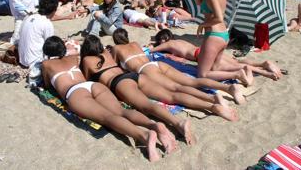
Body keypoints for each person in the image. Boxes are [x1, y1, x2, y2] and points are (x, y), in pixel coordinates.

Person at [42, 36, 176, 162]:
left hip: (75, 91)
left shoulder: (46, 64)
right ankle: (153, 125)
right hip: (94, 86)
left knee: (107, 117)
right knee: (121, 111)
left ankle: (144, 136)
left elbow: (47, 84)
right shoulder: (72, 59)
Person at [80, 35, 194, 145]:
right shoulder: (106, 53)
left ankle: (177, 123)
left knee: (146, 105)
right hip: (134, 75)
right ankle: (194, 112)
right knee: (170, 95)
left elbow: (86, 79)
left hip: (120, 82)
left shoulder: (86, 60)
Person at [111, 28, 245, 111]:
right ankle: (228, 89)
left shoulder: (116, 49)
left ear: (115, 40)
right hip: (156, 64)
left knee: (176, 88)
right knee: (191, 81)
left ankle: (212, 98)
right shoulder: (135, 44)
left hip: (146, 70)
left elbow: (115, 66)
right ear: (127, 36)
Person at [195, 0, 254, 85]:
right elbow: (199, 1)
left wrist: (202, 25)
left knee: (202, 74)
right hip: (224, 35)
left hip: (214, 35)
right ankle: (243, 68)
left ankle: (237, 74)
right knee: (215, 69)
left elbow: (219, 17)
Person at [152, 29, 282, 81]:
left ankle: (266, 73)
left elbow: (154, 50)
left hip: (201, 55)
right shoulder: (179, 40)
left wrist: (151, 47)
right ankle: (263, 64)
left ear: (163, 39)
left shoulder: (168, 44)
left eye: (160, 40)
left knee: (232, 67)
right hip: (204, 49)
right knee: (235, 63)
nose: (160, 43)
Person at [18, 0, 57, 68]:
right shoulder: (46, 23)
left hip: (22, 59)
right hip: (35, 62)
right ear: (54, 11)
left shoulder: (28, 17)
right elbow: (50, 46)